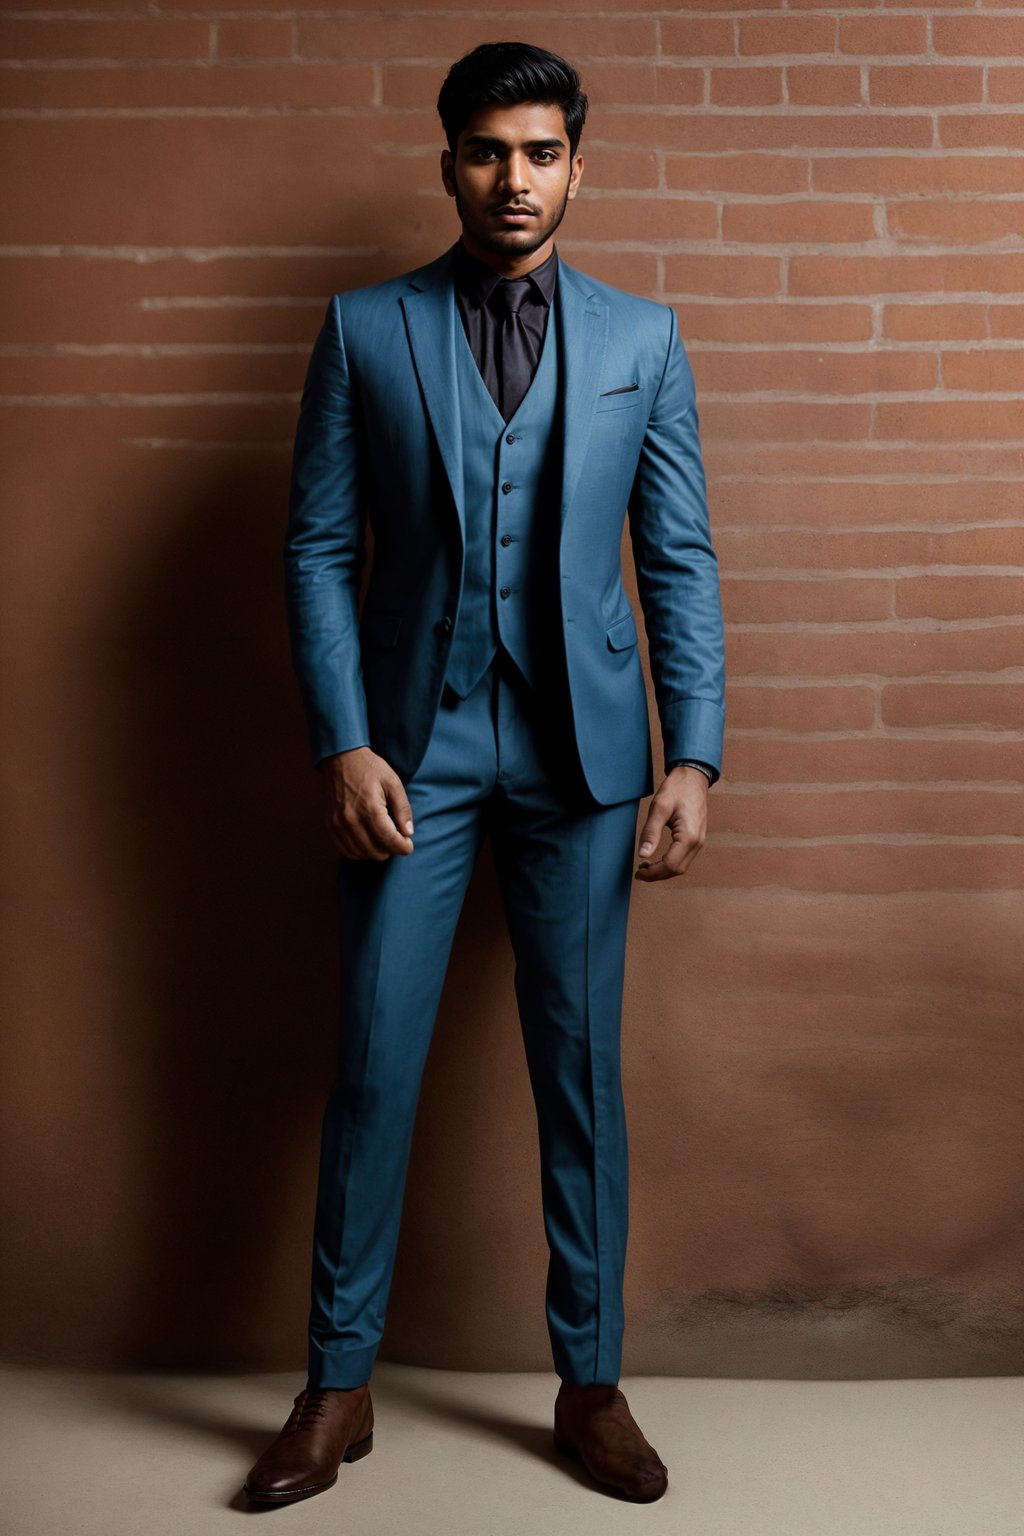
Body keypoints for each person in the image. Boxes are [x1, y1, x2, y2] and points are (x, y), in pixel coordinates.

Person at [244, 39, 726, 1508]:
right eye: (484, 152)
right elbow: (322, 549)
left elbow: (679, 558)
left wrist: (692, 750)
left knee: (579, 1079)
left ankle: (591, 1385)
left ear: (579, 162)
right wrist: (344, 737)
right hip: (413, 750)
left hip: (584, 761)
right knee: (374, 1069)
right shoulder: (361, 328)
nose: (512, 180)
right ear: (445, 160)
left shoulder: (645, 339)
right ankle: (337, 1386)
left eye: (539, 152)